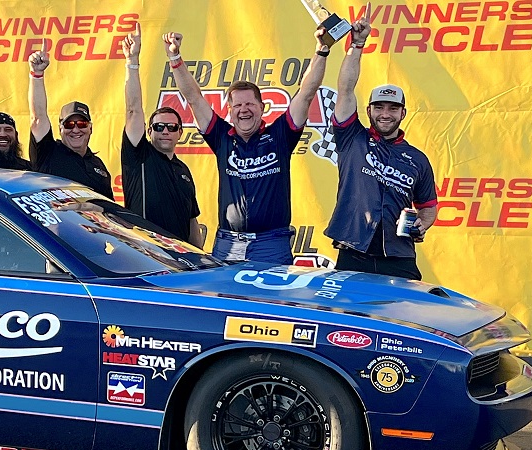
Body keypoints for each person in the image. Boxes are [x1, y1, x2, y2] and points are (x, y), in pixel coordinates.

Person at [166, 29, 328, 263]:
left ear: (262, 108)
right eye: (237, 105)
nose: (244, 109)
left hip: (272, 243)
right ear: (230, 111)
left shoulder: (280, 135)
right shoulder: (221, 137)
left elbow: (306, 93)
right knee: (225, 300)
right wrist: (174, 57)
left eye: (250, 104)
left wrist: (321, 50)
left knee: (272, 302)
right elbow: (193, 96)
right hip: (228, 243)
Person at [328, 8, 437, 280]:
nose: (385, 114)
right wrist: (357, 45)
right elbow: (345, 89)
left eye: (392, 108)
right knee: (350, 321)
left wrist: (422, 226)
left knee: (405, 318)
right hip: (353, 251)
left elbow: (429, 207)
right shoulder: (352, 138)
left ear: (403, 113)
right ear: (368, 110)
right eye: (379, 107)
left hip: (399, 255)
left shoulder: (418, 159)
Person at [120, 24, 204, 248]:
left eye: (170, 127)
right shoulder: (139, 155)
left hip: (181, 259)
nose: (164, 130)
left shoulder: (183, 170)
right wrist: (132, 62)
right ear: (149, 132)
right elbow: (134, 109)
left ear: (180, 132)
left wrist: (202, 256)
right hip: (145, 253)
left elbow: (191, 220)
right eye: (158, 127)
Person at [27, 45, 113, 199]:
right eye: (69, 125)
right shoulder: (48, 153)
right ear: (60, 129)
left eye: (81, 124)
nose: (75, 130)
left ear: (90, 128)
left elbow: (110, 209)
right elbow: (38, 117)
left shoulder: (98, 165)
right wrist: (37, 74)